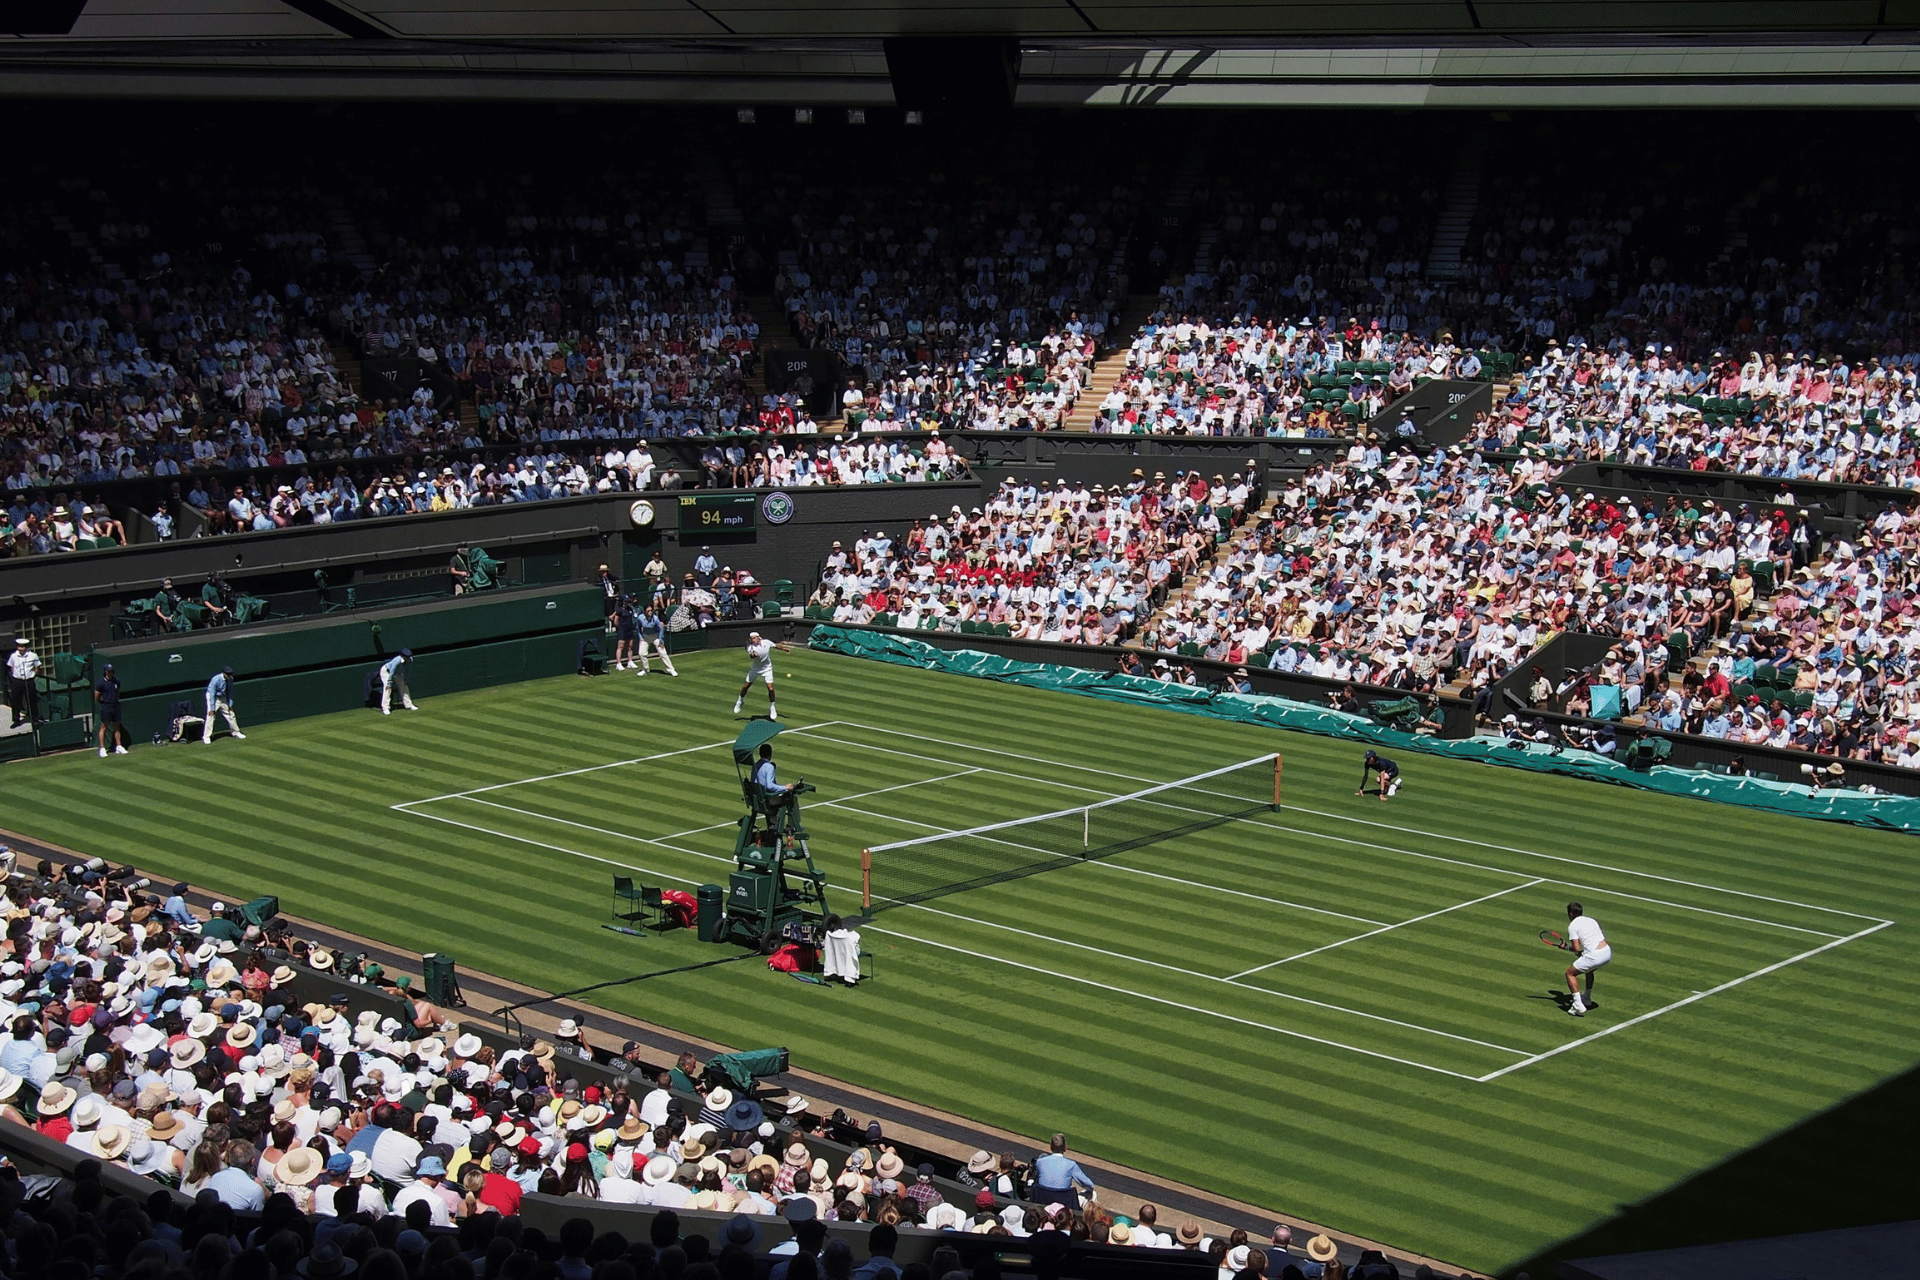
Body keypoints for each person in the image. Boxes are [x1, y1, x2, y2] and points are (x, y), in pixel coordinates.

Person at [1562, 901, 1611, 1016]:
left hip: (1594, 956)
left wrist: (1566, 948)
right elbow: (1591, 941)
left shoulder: (1573, 926)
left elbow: (1576, 948)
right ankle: (1587, 999)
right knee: (1588, 969)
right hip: (1606, 952)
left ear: (1571, 913)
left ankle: (1577, 1005)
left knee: (1570, 973)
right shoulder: (1591, 920)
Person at [733, 630, 790, 719]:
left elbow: (775, 646)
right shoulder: (751, 647)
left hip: (767, 668)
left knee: (770, 688)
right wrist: (753, 654)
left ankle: (772, 707)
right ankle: (740, 701)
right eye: (751, 639)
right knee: (746, 686)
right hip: (755, 669)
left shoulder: (766, 642)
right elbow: (752, 655)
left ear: (758, 637)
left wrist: (784, 649)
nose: (752, 640)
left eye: (754, 638)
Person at [1030, 1133, 1094, 1205]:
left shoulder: (1040, 1162)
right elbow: (1090, 1185)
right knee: (1093, 1194)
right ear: (1065, 1148)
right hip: (1063, 1206)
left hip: (1043, 1202)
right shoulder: (1071, 1165)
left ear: (1051, 1147)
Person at [203, 666, 245, 743]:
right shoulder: (215, 679)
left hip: (222, 697)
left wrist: (230, 705)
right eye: (227, 674)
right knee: (211, 716)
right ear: (224, 673)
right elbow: (212, 694)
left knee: (230, 714)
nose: (229, 676)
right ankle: (206, 737)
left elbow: (230, 692)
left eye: (230, 674)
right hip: (213, 698)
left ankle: (236, 732)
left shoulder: (230, 679)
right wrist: (212, 709)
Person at [94, 662, 128, 757]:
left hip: (115, 705)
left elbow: (118, 692)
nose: (110, 673)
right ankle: (102, 749)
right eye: (108, 671)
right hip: (106, 707)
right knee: (104, 727)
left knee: (117, 726)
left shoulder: (116, 681)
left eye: (111, 671)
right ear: (105, 672)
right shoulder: (101, 683)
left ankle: (119, 746)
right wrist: (103, 703)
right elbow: (97, 696)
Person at [636, 604, 677, 676]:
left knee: (663, 653)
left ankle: (671, 670)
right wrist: (640, 638)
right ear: (645, 612)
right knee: (641, 653)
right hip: (645, 637)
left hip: (655, 637)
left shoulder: (655, 619)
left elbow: (661, 629)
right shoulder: (640, 618)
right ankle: (645, 670)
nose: (650, 612)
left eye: (651, 610)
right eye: (648, 611)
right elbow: (638, 628)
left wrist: (661, 640)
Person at [7, 636, 40, 728]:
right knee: (16, 701)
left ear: (26, 647)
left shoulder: (33, 656)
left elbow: (37, 666)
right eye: (19, 646)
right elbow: (10, 667)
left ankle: (35, 719)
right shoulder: (13, 656)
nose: (21, 649)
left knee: (32, 700)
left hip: (29, 680)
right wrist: (14, 677)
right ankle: (16, 720)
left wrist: (33, 675)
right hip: (17, 681)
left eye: (22, 647)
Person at [379, 649, 418, 715]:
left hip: (398, 673)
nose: (408, 658)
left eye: (409, 656)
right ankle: (385, 708)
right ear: (403, 656)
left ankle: (408, 705)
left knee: (404, 686)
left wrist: (405, 680)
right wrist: (389, 683)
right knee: (388, 689)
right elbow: (392, 672)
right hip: (386, 672)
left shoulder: (410, 660)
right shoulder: (397, 661)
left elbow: (407, 671)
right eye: (407, 657)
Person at [613, 596, 639, 670]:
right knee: (620, 647)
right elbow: (616, 621)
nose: (627, 602)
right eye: (625, 601)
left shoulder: (630, 609)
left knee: (630, 646)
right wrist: (619, 627)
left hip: (629, 630)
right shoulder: (619, 610)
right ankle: (618, 663)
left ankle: (630, 661)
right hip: (622, 630)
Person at [597, 564, 621, 631]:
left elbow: (617, 578)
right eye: (603, 572)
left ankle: (616, 620)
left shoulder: (610, 577)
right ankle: (611, 621)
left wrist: (609, 575)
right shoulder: (599, 580)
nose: (605, 573)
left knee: (620, 600)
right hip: (606, 597)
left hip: (613, 595)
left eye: (606, 571)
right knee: (608, 602)